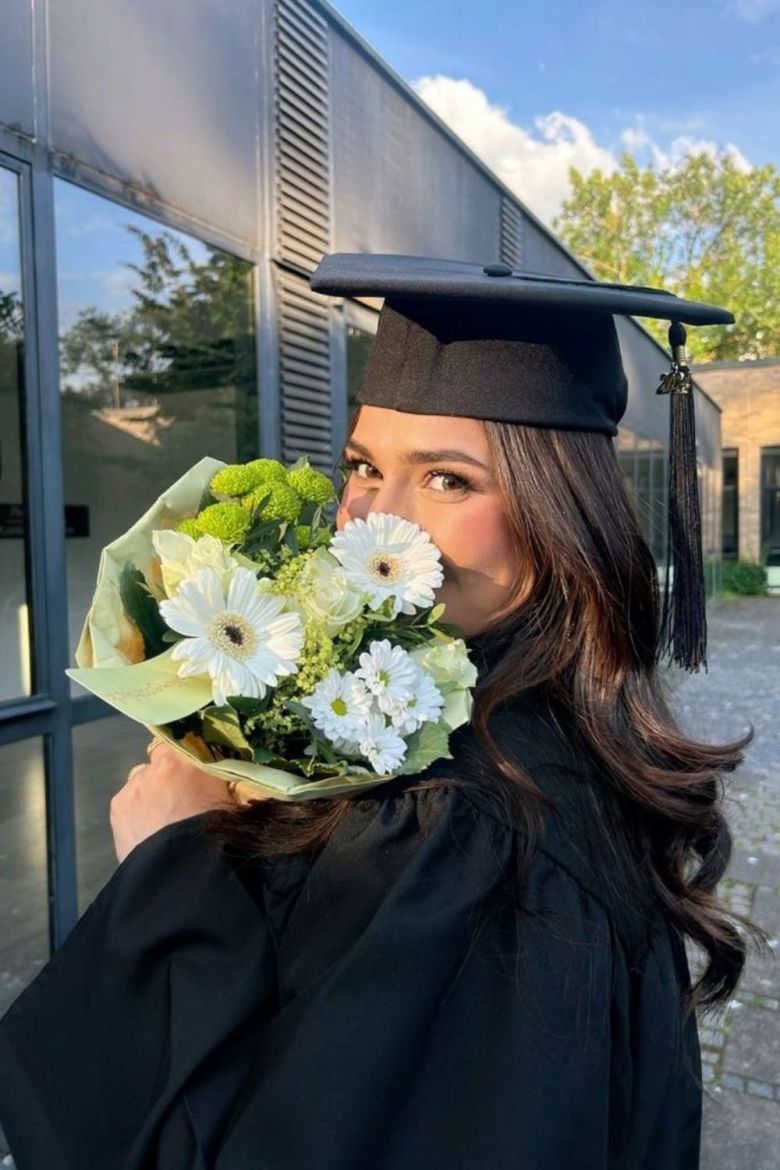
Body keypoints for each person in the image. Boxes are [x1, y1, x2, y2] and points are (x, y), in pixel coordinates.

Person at [0, 255, 769, 1170]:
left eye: (449, 479)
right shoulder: (533, 734)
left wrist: (174, 861)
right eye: (363, 465)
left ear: (562, 514)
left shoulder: (464, 830)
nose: (378, 525)